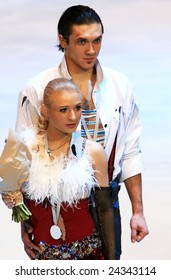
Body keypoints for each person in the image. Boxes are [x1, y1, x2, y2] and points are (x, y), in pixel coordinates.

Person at [1, 5, 149, 260]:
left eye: (97, 40)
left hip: (106, 200)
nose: (91, 50)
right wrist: (23, 222)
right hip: (52, 208)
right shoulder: (36, 89)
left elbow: (131, 151)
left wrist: (138, 210)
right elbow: (21, 159)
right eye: (82, 41)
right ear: (62, 40)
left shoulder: (120, 86)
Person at [0, 77, 116, 260]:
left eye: (77, 108)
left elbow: (105, 209)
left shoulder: (93, 152)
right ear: (45, 111)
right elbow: (18, 200)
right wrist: (23, 225)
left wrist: (111, 263)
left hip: (89, 256)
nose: (73, 117)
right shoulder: (26, 150)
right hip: (43, 256)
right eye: (63, 110)